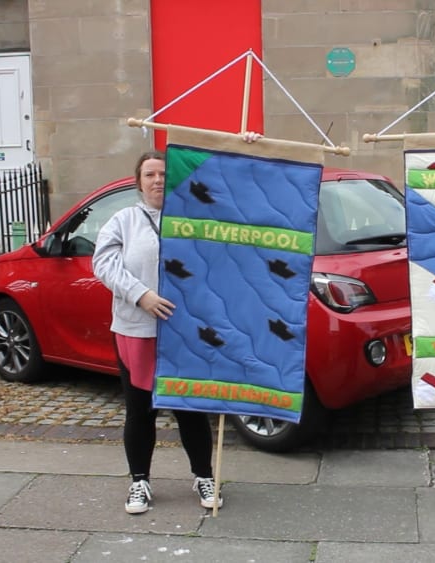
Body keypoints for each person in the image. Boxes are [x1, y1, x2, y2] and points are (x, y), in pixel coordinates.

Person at [93, 134, 261, 515]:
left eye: (162, 174)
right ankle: (139, 482)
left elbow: (239, 201)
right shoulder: (124, 221)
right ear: (138, 182)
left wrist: (250, 147)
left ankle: (204, 476)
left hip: (187, 333)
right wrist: (141, 295)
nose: (156, 180)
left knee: (189, 407)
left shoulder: (195, 217)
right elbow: (104, 264)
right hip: (137, 331)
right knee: (140, 411)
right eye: (149, 174)